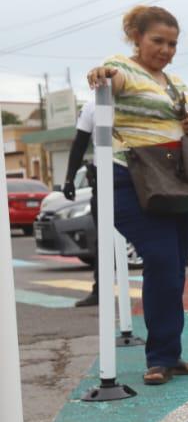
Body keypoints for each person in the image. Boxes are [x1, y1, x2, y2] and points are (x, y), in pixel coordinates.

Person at [86, 6, 188, 386]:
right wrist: (103, 75)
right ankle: (158, 358)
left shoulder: (176, 83)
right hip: (135, 180)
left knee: (172, 271)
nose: (166, 49)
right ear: (136, 37)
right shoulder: (121, 65)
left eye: (172, 43)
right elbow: (111, 79)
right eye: (157, 41)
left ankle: (168, 353)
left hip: (184, 184)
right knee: (160, 260)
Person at [63, 100, 99, 307]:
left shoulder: (138, 97)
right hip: (104, 182)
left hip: (137, 178)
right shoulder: (93, 105)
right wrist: (69, 179)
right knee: (102, 240)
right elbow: (80, 144)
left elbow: (79, 144)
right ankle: (99, 290)